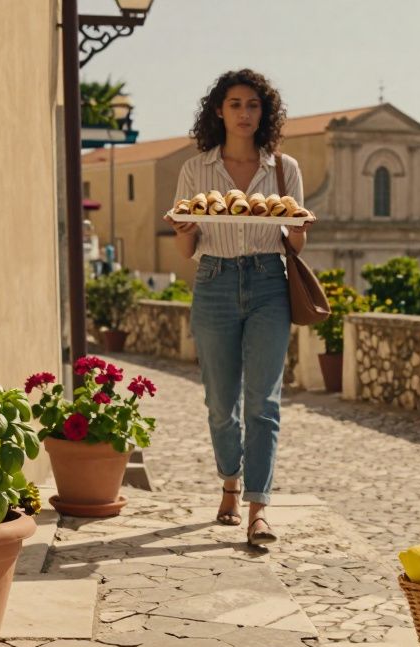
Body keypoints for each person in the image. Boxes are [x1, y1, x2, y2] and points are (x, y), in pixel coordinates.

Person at [162, 68, 311, 546]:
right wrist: (185, 232)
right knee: (220, 404)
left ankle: (258, 508)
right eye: (235, 104)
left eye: (253, 104)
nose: (245, 113)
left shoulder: (284, 170)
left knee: (263, 403)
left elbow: (298, 240)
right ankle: (229, 479)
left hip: (269, 283)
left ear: (264, 112)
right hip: (215, 283)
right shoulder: (196, 170)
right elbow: (187, 252)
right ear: (219, 112)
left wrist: (295, 226)